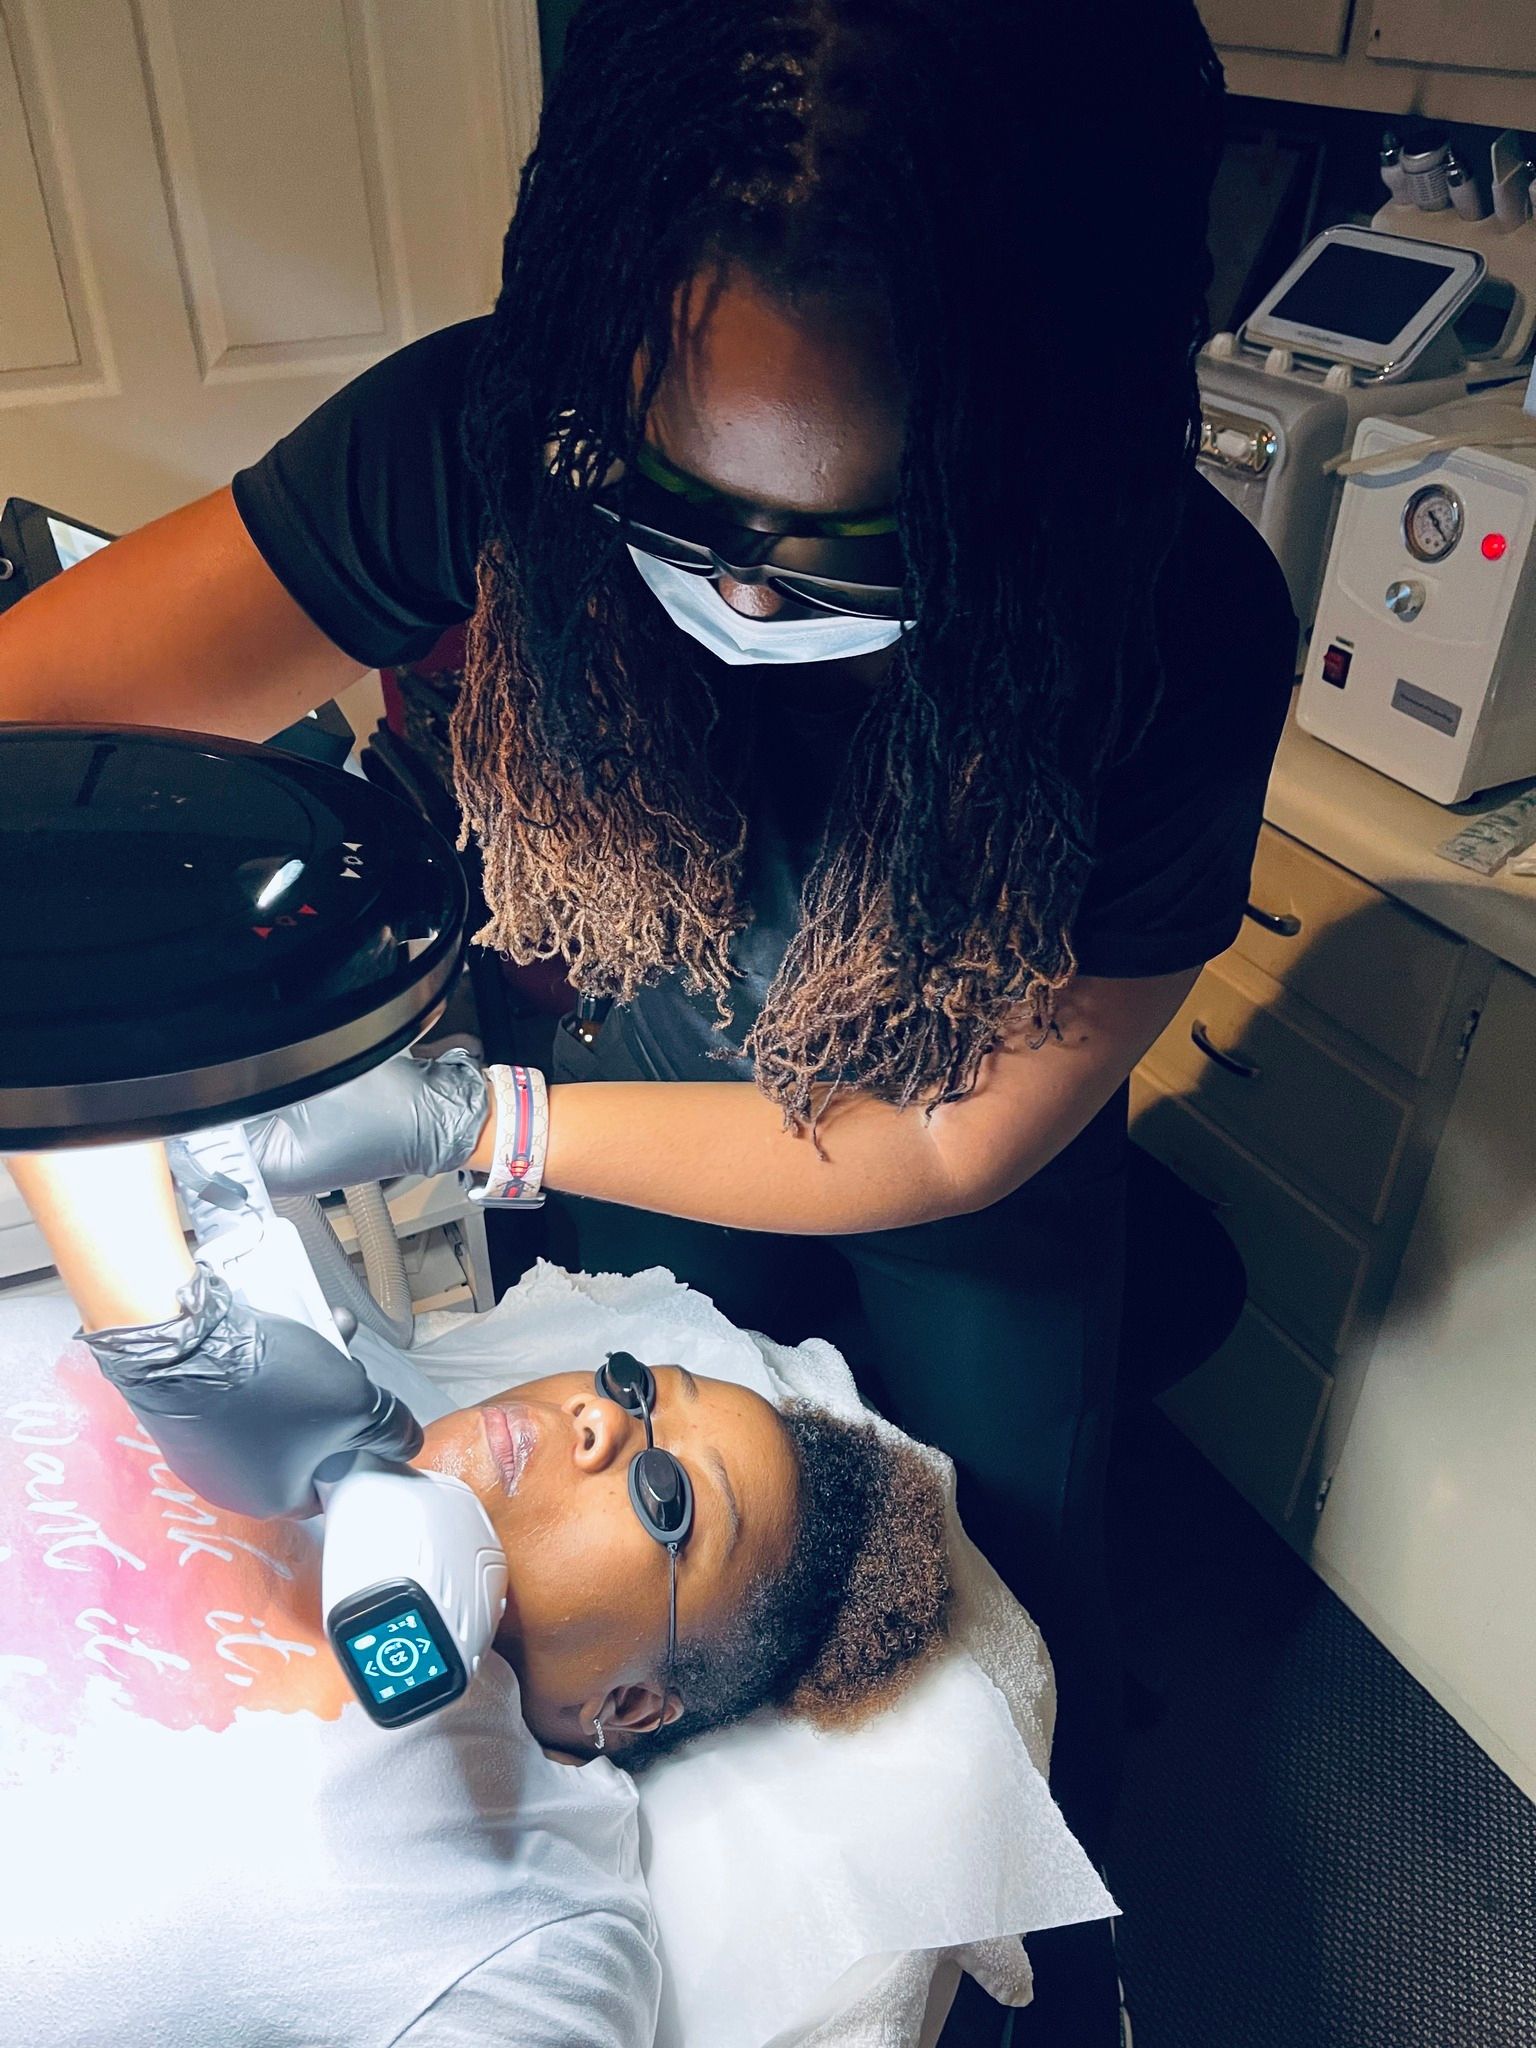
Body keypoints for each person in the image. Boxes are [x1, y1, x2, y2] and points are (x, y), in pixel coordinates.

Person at [0, 2, 1297, 2036]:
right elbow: (37, 719)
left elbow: (952, 1141)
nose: (756, 608)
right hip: (609, 1027)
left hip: (964, 1116)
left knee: (1008, 1524)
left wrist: (464, 1139)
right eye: (672, 508)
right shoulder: (485, 445)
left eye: (860, 545)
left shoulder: (1173, 633)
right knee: (658, 1330)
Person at [0, 1142, 950, 2047]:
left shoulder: (537, 1932)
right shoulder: (353, 1366)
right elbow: (71, 1065)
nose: (600, 1416)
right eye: (634, 1386)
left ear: (626, 1703)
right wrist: (159, 1312)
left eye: (667, 1497)